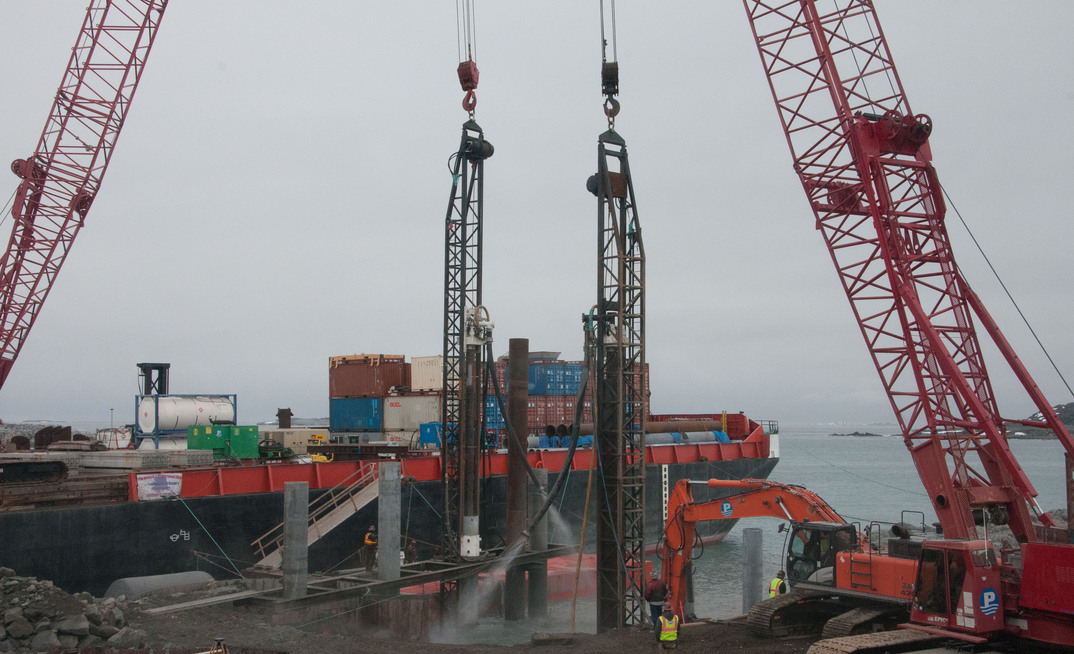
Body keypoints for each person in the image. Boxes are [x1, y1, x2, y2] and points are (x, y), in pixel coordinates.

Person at [644, 572, 669, 639]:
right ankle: (661, 627)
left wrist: (648, 600)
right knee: (660, 615)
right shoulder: (661, 583)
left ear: (651, 576)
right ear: (657, 576)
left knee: (654, 616)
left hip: (653, 602)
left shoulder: (650, 584)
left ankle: (656, 628)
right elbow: (665, 591)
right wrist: (663, 598)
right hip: (661, 602)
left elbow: (647, 594)